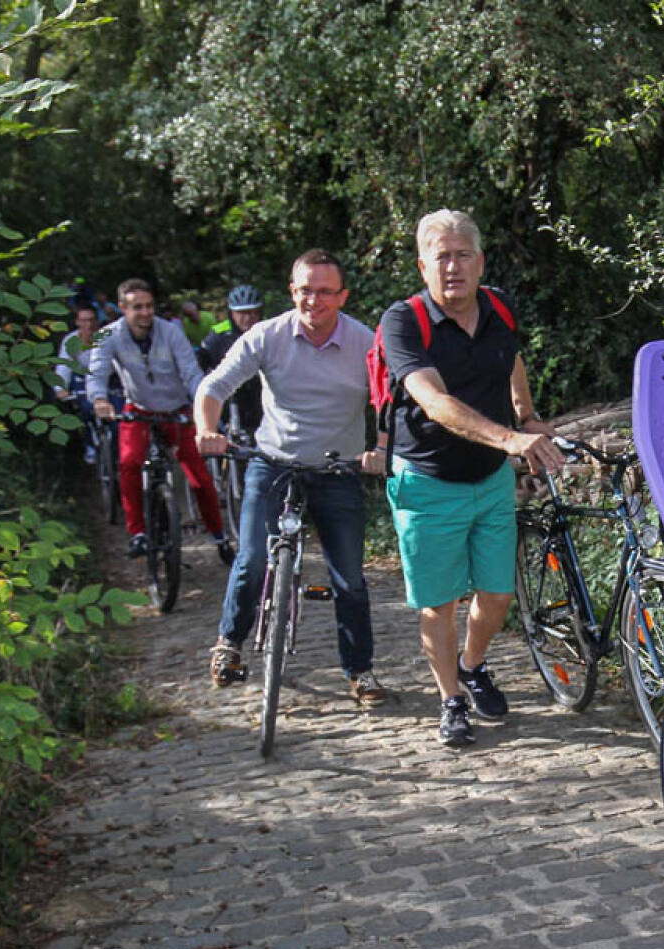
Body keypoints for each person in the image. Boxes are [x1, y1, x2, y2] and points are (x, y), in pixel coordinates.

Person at [378, 209, 563, 748]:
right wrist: (509, 439)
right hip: (428, 482)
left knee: (498, 594)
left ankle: (473, 664)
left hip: (489, 479)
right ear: (423, 266)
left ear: (480, 262)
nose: (453, 267)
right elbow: (434, 402)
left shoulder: (498, 307)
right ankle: (451, 699)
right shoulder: (403, 322)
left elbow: (511, 359)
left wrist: (526, 415)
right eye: (441, 257)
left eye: (463, 255)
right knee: (440, 603)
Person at [195, 250, 390, 707]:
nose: (313, 300)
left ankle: (360, 670)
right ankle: (229, 643)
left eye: (325, 291)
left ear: (342, 296)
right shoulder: (268, 336)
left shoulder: (366, 342)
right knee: (251, 559)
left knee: (349, 578)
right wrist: (207, 429)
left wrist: (381, 448)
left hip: (337, 469)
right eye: (305, 290)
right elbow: (213, 386)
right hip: (273, 462)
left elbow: (389, 398)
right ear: (291, 291)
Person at [87, 278, 232, 563]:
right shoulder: (106, 335)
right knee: (129, 464)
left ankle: (219, 536)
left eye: (149, 306)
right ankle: (138, 533)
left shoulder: (171, 332)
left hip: (175, 410)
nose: (145, 313)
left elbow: (191, 373)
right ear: (122, 308)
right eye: (137, 307)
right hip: (138, 409)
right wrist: (100, 400)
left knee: (199, 476)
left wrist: (203, 405)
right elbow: (97, 372)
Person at [197, 284, 266, 440]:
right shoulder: (218, 335)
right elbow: (200, 364)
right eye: (241, 313)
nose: (248, 318)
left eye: (253, 312)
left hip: (260, 397)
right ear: (231, 313)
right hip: (231, 400)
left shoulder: (267, 331)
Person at [53, 302, 106, 462]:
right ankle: (90, 445)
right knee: (83, 411)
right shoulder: (71, 340)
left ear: (97, 321)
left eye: (91, 320)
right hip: (82, 379)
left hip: (106, 378)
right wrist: (61, 388)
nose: (88, 325)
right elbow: (64, 365)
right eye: (84, 320)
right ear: (77, 322)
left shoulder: (107, 336)